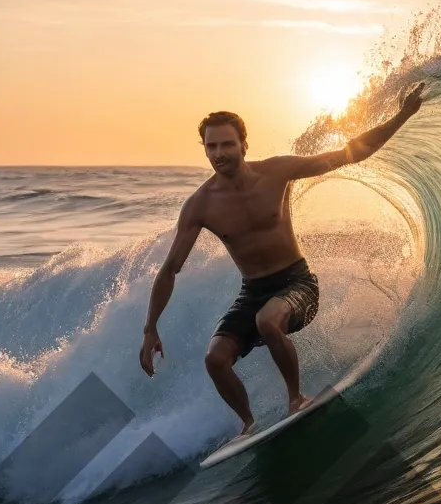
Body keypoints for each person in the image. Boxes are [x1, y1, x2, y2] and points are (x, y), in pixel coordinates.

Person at [138, 83, 425, 434]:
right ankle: (247, 424)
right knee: (214, 359)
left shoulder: (277, 171)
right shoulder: (200, 205)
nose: (219, 153)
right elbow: (170, 270)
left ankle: (295, 399)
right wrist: (150, 328)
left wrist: (402, 115)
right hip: (253, 291)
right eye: (211, 146)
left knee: (267, 321)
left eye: (227, 144)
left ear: (244, 144)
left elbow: (350, 154)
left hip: (297, 283)